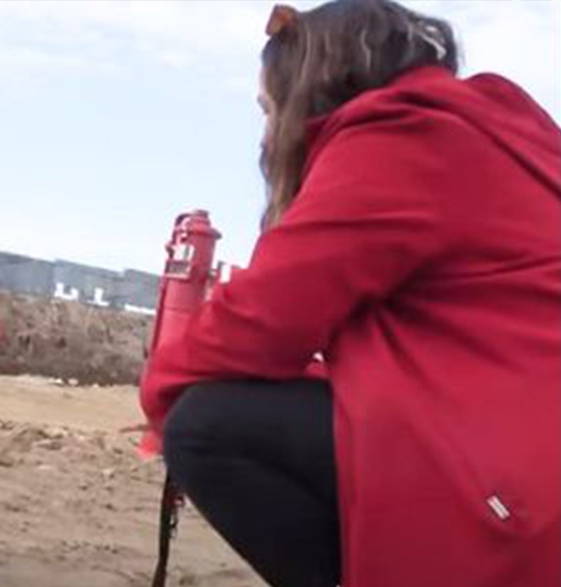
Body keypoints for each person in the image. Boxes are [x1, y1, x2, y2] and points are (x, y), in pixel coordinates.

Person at [138, 1, 561, 586]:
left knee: (207, 426)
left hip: (513, 492)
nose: (267, 134)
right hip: (529, 444)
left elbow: (263, 319)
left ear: (307, 88)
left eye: (269, 109)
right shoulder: (498, 131)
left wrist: (159, 397)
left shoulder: (404, 138)